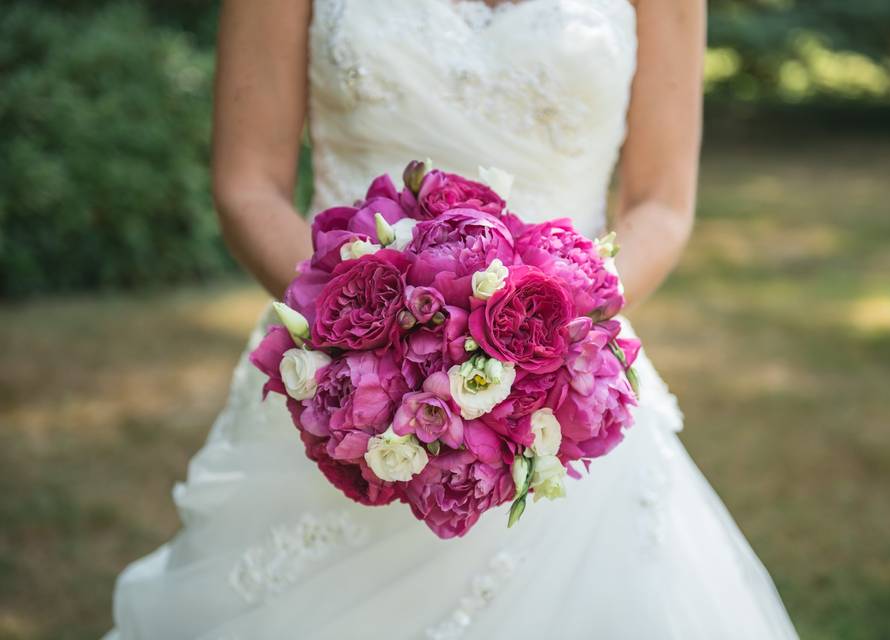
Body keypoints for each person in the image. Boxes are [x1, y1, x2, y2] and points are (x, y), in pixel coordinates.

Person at [106, 1, 799, 638]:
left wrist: (552, 340)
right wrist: (366, 343)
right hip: (339, 378)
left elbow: (661, 204)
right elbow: (247, 183)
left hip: (557, 391)